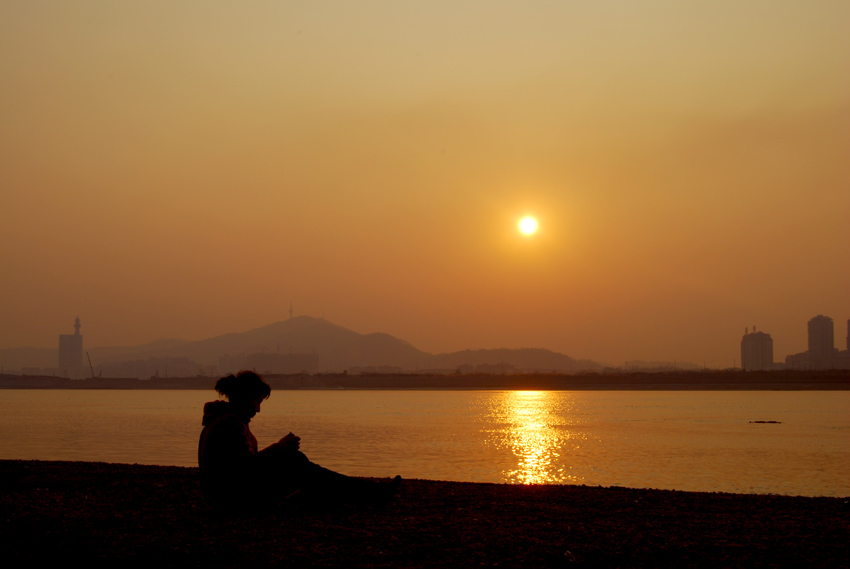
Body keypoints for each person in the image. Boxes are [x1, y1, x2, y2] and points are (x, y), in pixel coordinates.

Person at [198, 370, 400, 512]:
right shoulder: (230, 424)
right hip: (231, 500)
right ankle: (371, 495)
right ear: (244, 397)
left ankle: (356, 495)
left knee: (298, 462)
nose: (258, 409)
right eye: (257, 401)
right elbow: (246, 469)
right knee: (295, 462)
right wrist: (279, 448)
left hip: (225, 496)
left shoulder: (227, 420)